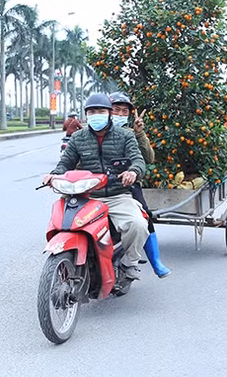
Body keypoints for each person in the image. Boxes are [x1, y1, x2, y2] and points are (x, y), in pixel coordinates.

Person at [42, 93, 149, 280]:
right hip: (86, 196)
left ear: (109, 113)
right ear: (86, 114)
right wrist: (54, 175)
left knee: (138, 224)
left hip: (117, 195)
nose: (96, 114)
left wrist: (133, 171)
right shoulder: (78, 138)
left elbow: (138, 160)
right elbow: (65, 163)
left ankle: (129, 262)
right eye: (92, 111)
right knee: (65, 224)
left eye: (101, 111)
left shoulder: (125, 136)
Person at [110, 91, 170, 278]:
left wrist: (139, 133)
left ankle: (154, 261)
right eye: (116, 110)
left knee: (143, 215)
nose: (119, 115)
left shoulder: (129, 134)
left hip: (126, 184)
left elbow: (148, 158)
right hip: (96, 184)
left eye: (123, 111)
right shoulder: (88, 134)